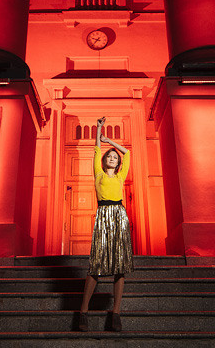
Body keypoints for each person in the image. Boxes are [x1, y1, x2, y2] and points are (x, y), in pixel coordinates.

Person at [78, 116, 132, 332]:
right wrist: (99, 130)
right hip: (103, 216)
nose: (111, 157)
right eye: (108, 156)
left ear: (117, 163)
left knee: (120, 268)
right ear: (104, 161)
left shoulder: (120, 176)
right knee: (96, 266)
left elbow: (127, 153)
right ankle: (83, 311)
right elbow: (95, 151)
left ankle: (116, 313)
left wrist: (111, 141)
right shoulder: (98, 174)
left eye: (114, 157)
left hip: (119, 216)